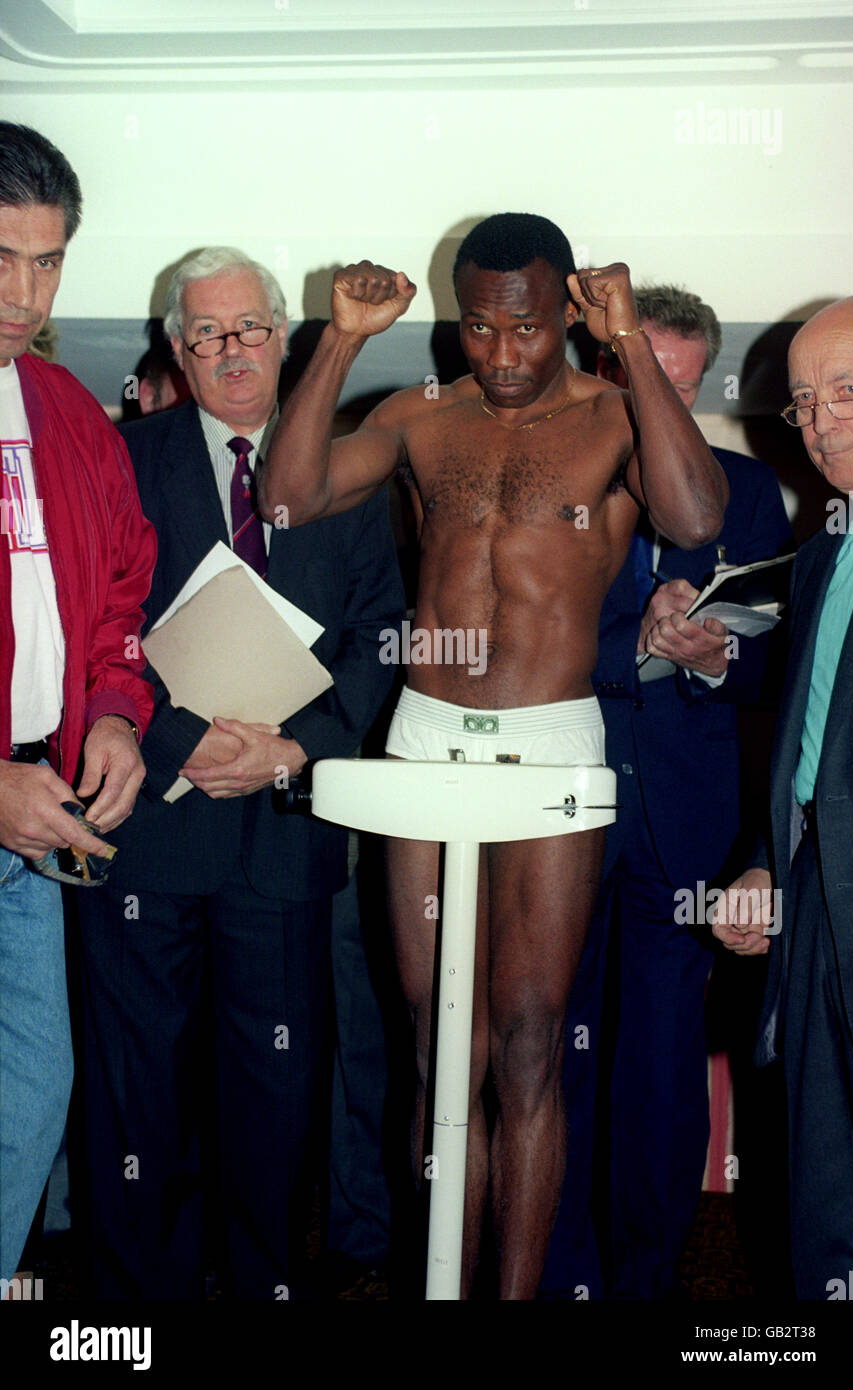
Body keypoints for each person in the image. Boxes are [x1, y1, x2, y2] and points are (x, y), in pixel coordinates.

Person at [258, 212, 728, 1299]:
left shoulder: (613, 415)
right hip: (424, 737)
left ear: (564, 309)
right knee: (437, 1047)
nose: (501, 356)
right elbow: (285, 498)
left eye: (522, 330)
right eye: (475, 329)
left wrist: (629, 351)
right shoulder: (421, 415)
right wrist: (337, 340)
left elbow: (695, 518)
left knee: (524, 1045)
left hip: (549, 741)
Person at [77, 246, 405, 1299]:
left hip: (282, 832)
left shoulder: (346, 468)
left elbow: (377, 639)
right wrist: (176, 738)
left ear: (284, 334)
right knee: (143, 1103)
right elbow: (100, 624)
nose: (231, 351)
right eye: (206, 333)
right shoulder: (123, 458)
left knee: (275, 1100)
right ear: (177, 349)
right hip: (151, 825)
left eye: (250, 328)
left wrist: (291, 748)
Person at [544, 284, 792, 1299]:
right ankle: (557, 1278)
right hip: (559, 816)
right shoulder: (547, 478)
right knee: (548, 1069)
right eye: (647, 380)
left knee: (656, 1078)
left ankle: (643, 1285)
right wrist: (631, 641)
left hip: (688, 831)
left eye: (684, 391)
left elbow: (778, 667)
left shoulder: (744, 486)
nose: (664, 412)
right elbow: (507, 652)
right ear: (605, 368)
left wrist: (709, 660)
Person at [0, 122, 156, 1284]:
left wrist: (111, 711)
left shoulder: (64, 408)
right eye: (1, 256)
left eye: (48, 262)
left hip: (36, 817)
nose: (26, 291)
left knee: (34, 1092)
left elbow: (115, 598)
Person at [713, 295, 853, 1299]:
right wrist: (771, 858)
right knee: (825, 1190)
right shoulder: (821, 552)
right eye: (802, 402)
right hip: (815, 901)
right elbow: (806, 740)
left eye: (847, 392)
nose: (818, 421)